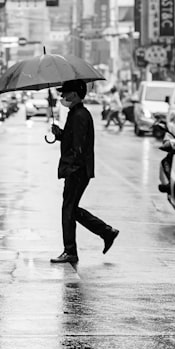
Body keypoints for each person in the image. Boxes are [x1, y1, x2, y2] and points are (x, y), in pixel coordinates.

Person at [48, 79, 119, 264]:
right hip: (77, 169)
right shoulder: (76, 113)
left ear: (74, 93)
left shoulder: (80, 115)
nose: (63, 95)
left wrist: (72, 167)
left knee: (68, 210)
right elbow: (72, 140)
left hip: (77, 170)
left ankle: (70, 251)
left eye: (66, 92)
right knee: (71, 209)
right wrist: (60, 135)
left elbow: (78, 146)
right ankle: (105, 231)